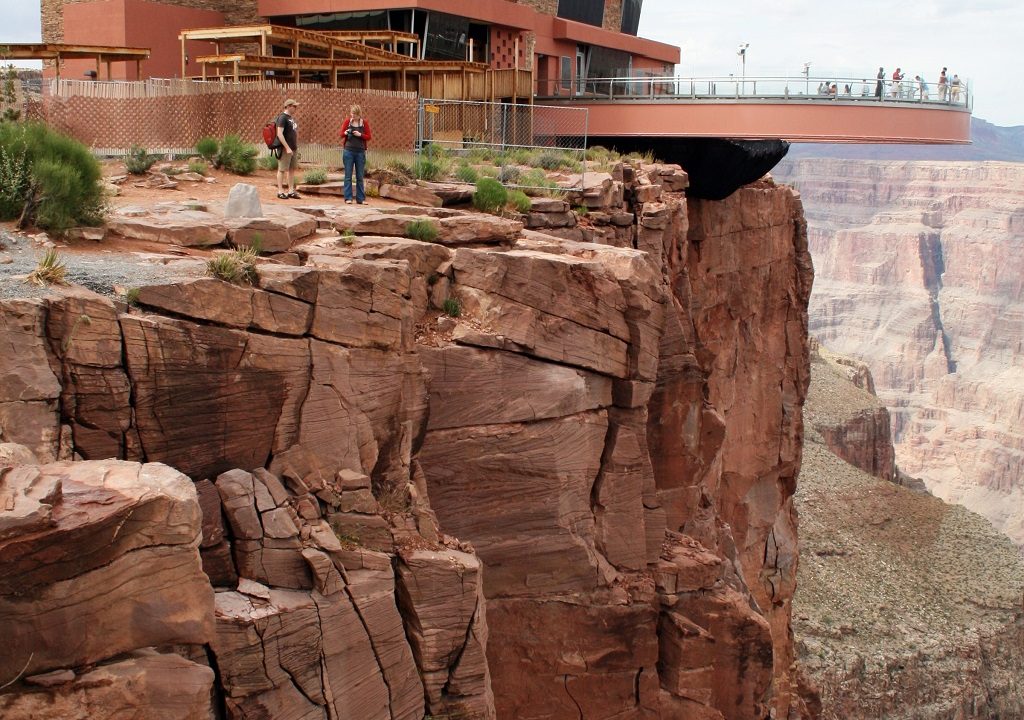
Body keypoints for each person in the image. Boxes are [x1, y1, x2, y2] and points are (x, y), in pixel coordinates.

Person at [339, 104, 372, 205]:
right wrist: (346, 132)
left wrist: (360, 135)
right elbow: (341, 134)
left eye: (355, 114)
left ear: (359, 114)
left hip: (360, 152)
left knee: (360, 176)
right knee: (348, 176)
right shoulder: (347, 122)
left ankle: (360, 199)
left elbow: (369, 137)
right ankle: (348, 198)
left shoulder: (364, 123)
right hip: (348, 151)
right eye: (352, 114)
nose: (353, 116)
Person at [275, 98, 300, 200]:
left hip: (293, 148)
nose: (296, 108)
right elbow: (279, 134)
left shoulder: (291, 118)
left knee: (291, 169)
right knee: (281, 170)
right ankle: (280, 191)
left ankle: (291, 191)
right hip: (285, 149)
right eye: (294, 106)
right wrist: (287, 147)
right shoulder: (282, 118)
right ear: (289, 106)